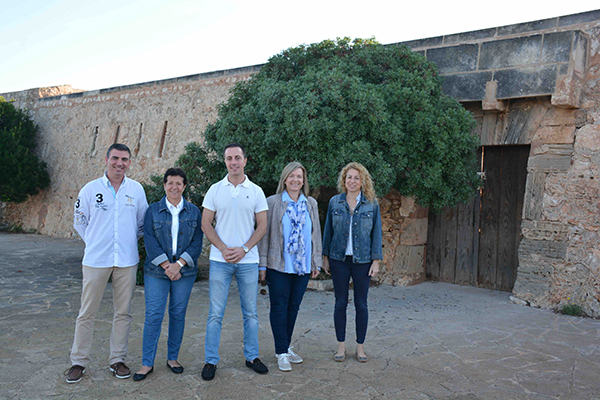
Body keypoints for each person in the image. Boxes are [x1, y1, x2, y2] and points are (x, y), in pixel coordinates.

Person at [66, 143, 148, 383]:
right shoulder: (90, 189)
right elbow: (80, 221)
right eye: (115, 158)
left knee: (123, 312)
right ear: (106, 159)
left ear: (129, 163)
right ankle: (78, 362)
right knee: (87, 312)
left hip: (126, 260)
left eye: (124, 159)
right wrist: (95, 242)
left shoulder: (136, 190)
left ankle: (117, 360)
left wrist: (125, 243)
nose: (119, 163)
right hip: (96, 260)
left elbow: (142, 224)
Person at [200, 143, 269, 380]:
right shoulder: (215, 190)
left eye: (237, 158)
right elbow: (206, 223)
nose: (234, 162)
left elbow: (262, 225)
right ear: (225, 162)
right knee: (215, 314)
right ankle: (210, 361)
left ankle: (252, 357)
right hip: (220, 261)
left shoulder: (256, 191)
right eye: (229, 158)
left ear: (245, 161)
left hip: (248, 261)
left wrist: (244, 249)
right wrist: (222, 248)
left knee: (250, 313)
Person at [133, 168, 203, 381]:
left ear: (184, 186)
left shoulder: (194, 212)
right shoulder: (153, 211)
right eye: (170, 183)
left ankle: (173, 358)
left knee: (178, 314)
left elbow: (197, 242)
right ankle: (147, 363)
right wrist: (167, 266)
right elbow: (149, 240)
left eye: (178, 183)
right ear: (164, 185)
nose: (174, 187)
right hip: (156, 271)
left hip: (184, 271)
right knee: (154, 315)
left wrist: (178, 265)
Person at [258, 162, 322, 372]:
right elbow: (264, 235)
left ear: (304, 181)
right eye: (291, 176)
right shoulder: (273, 202)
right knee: (279, 306)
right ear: (285, 179)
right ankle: (281, 352)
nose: (295, 180)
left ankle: (285, 346)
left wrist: (316, 261)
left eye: (299, 176)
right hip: (278, 265)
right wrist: (262, 264)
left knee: (293, 307)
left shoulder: (310, 203)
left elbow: (315, 234)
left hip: (302, 266)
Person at [322, 162, 382, 363]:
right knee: (340, 303)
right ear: (344, 180)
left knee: (361, 304)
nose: (352, 181)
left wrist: (376, 261)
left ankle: (360, 348)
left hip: (363, 261)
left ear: (363, 181)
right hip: (339, 260)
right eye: (349, 177)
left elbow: (376, 234)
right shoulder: (335, 202)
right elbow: (328, 231)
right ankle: (341, 346)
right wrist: (325, 257)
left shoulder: (371, 204)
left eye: (357, 178)